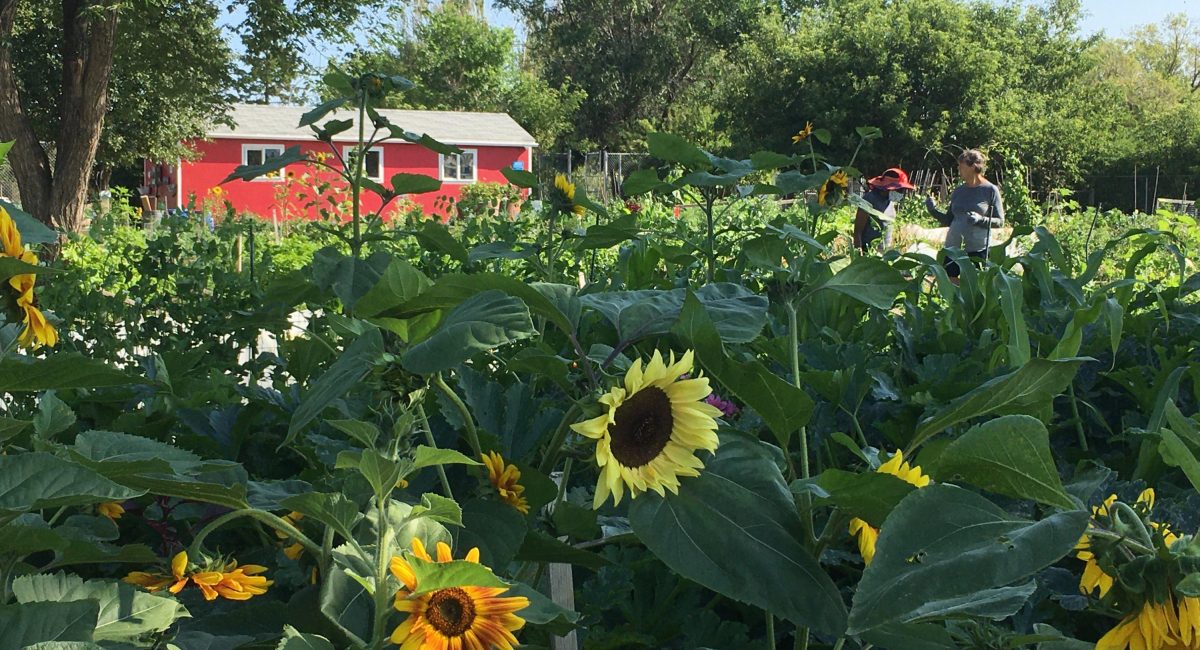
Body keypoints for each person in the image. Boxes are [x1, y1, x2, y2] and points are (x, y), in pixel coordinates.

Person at [925, 150, 1004, 281]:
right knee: (950, 282)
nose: (958, 169)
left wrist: (980, 220)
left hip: (978, 249)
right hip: (953, 248)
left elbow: (1000, 221)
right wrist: (933, 211)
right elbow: (949, 220)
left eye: (961, 166)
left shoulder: (990, 190)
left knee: (975, 286)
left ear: (973, 167)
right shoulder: (958, 191)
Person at [854, 167, 915, 253]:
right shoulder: (870, 199)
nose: (901, 193)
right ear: (889, 187)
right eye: (899, 189)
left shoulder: (890, 202)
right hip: (869, 251)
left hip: (884, 252)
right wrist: (858, 253)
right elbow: (858, 231)